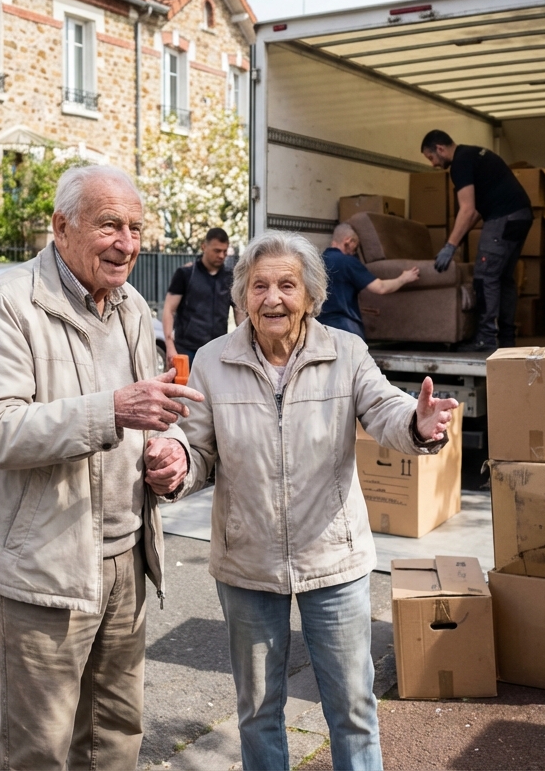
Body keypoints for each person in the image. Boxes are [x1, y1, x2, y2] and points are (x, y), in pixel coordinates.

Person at [160, 231, 458, 771]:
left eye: (286, 285)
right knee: (258, 711)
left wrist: (418, 422)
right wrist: (176, 461)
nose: (272, 298)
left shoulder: (345, 352)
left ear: (312, 297)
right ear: (242, 296)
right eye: (259, 286)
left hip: (334, 562)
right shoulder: (211, 360)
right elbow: (196, 442)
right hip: (247, 562)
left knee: (352, 708)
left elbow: (385, 409)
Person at [0, 165, 204, 771]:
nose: (126, 243)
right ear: (61, 226)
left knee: (115, 734)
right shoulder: (9, 301)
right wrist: (113, 410)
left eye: (135, 227)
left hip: (128, 558)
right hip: (46, 565)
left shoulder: (131, 306)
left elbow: (148, 410)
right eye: (109, 226)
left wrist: (168, 451)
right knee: (36, 750)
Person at [420, 130, 535, 353]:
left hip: (504, 216)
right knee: (504, 278)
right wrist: (456, 240)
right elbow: (474, 214)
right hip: (521, 215)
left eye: (431, 158)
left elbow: (467, 209)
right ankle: (507, 339)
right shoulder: (473, 155)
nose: (433, 164)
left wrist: (449, 246)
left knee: (485, 277)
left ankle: (486, 339)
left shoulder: (460, 164)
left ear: (440, 149)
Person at [318, 222, 420, 338]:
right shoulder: (348, 262)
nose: (354, 253)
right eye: (355, 247)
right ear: (348, 241)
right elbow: (380, 288)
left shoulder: (317, 262)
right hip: (345, 329)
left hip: (318, 328)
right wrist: (404, 278)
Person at [162, 227, 239, 366]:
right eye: (217, 250)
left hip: (217, 350)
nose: (222, 255)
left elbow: (240, 312)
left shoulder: (230, 278)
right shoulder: (185, 274)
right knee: (182, 388)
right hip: (186, 350)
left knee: (213, 389)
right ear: (204, 246)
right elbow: (169, 309)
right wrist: (169, 346)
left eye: (225, 251)